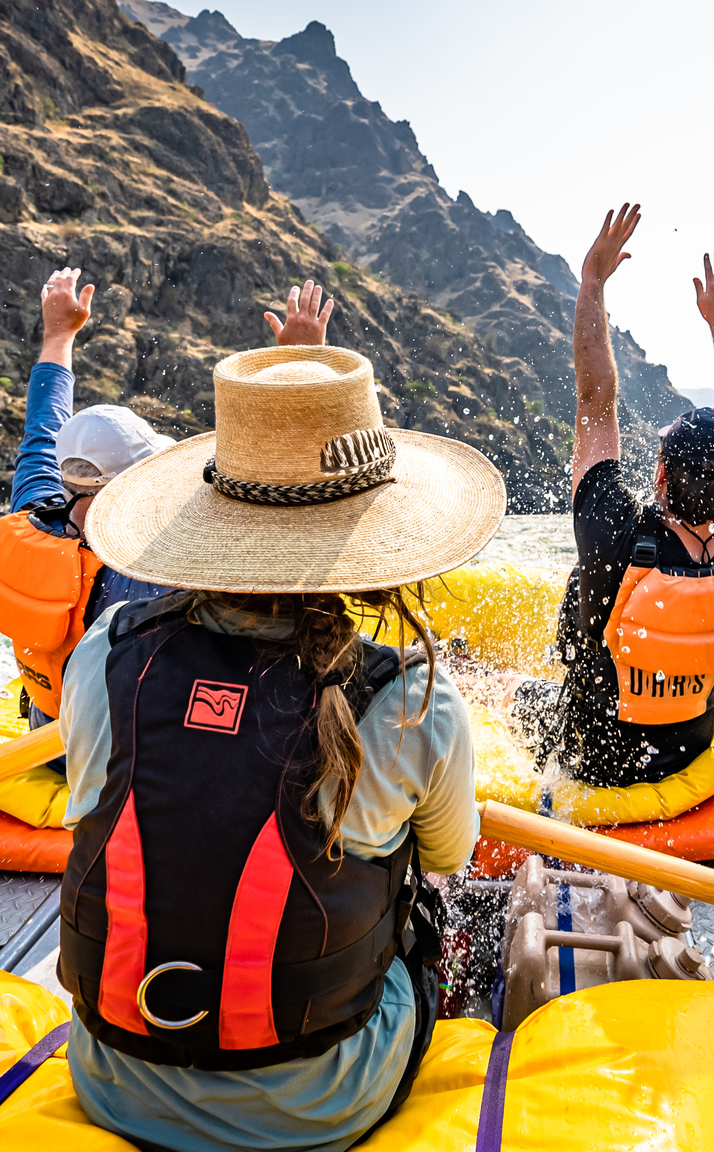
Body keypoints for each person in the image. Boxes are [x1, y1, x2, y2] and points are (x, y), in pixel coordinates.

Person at [54, 342, 503, 1152]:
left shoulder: (105, 651)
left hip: (113, 1077)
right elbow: (449, 854)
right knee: (428, 907)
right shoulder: (411, 700)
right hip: (321, 1102)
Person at [0, 270, 338, 731]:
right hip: (130, 757)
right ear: (137, 482)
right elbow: (273, 485)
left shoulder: (35, 508)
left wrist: (58, 334)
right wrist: (298, 363)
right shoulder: (159, 569)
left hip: (49, 735)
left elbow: (43, 424)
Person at [539, 203, 714, 788]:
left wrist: (592, 281)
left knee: (526, 703)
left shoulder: (612, 535)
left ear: (661, 477)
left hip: (595, 769)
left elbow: (595, 401)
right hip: (687, 765)